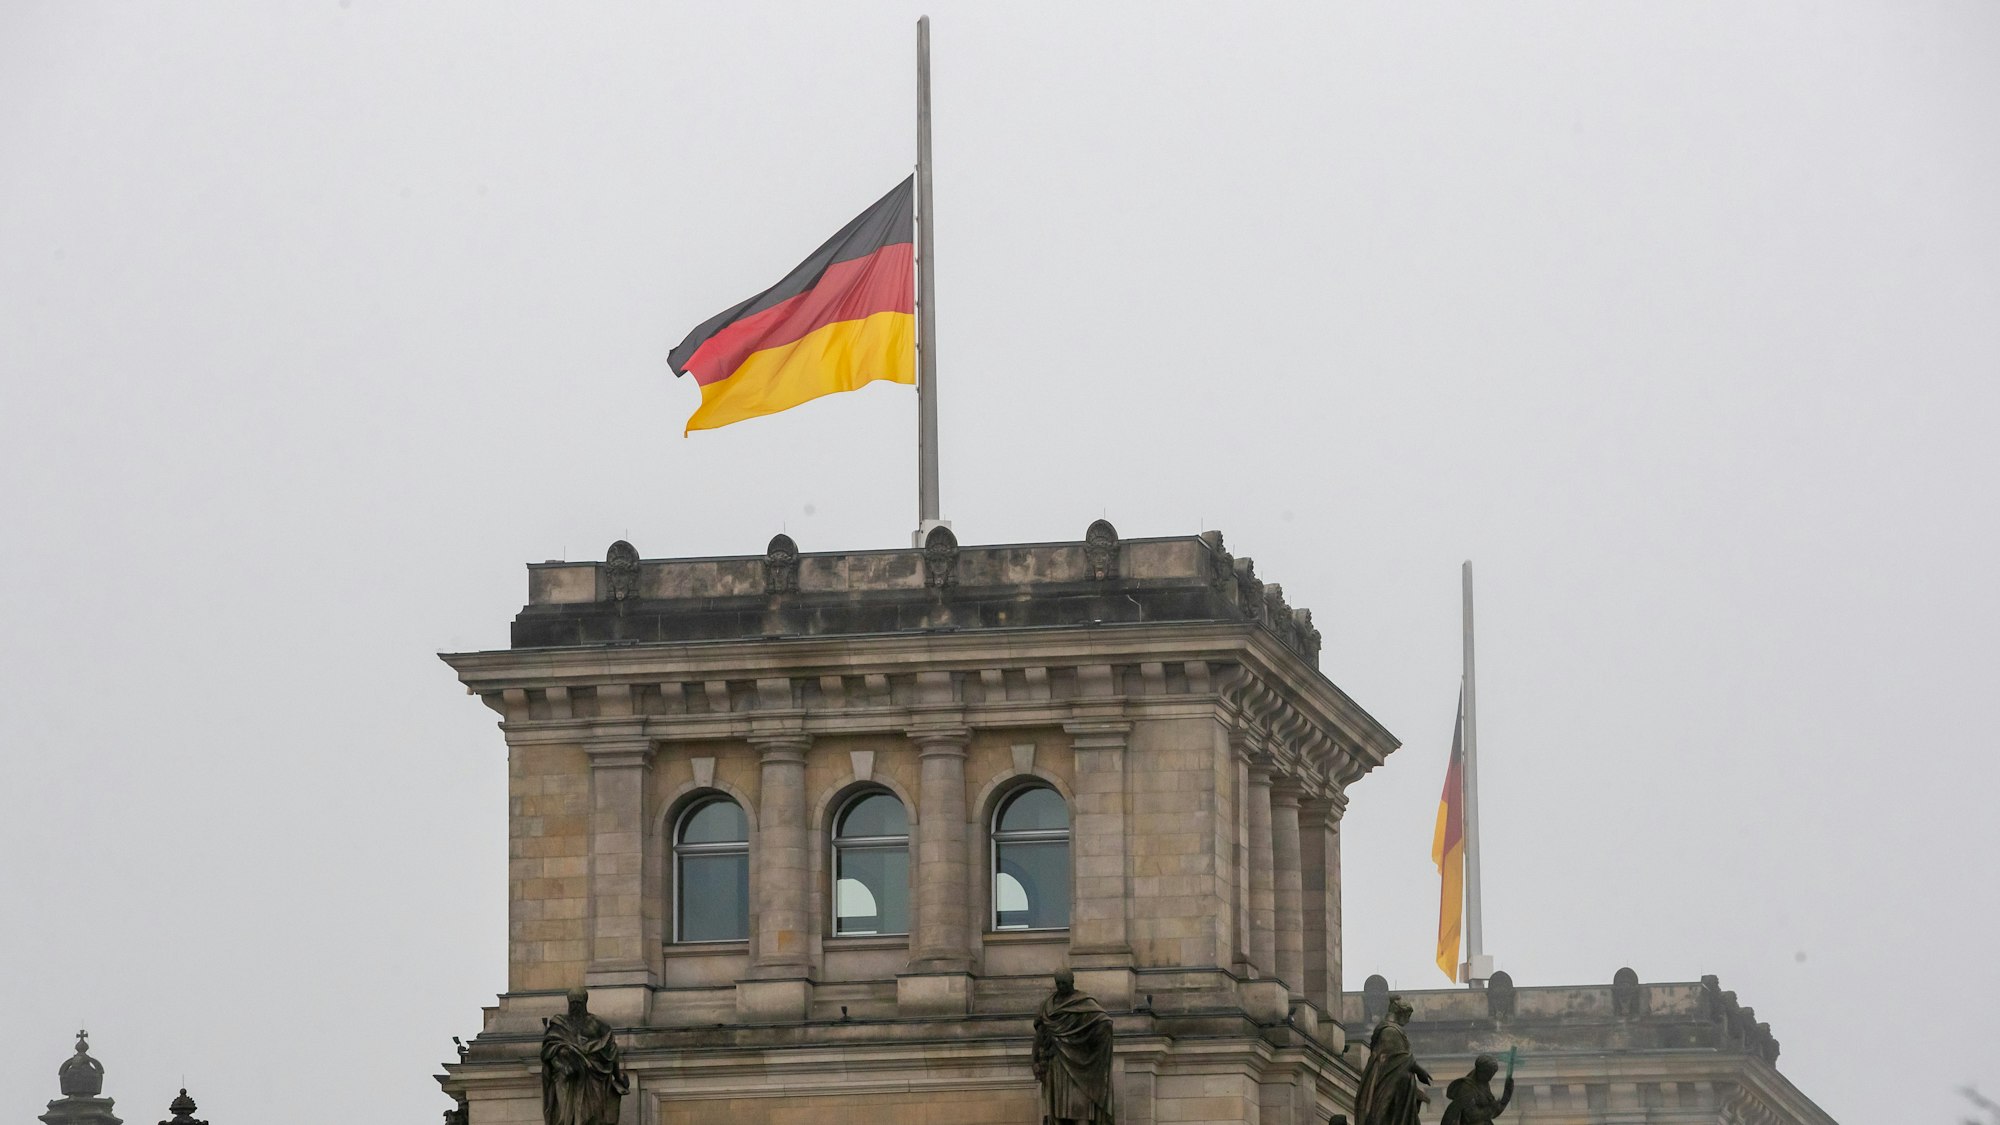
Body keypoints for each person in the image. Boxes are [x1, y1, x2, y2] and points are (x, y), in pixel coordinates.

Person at [1033, 970, 1116, 1125]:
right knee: (1058, 1114)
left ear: (1072, 982)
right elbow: (1039, 1035)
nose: (1061, 986)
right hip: (1057, 1064)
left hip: (1082, 1066)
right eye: (1058, 983)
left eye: (1064, 983)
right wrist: (1034, 1061)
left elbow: (1105, 1022)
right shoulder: (1047, 1006)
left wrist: (1097, 1035)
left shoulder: (1083, 1002)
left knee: (1081, 1110)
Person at [540, 988, 630, 1125]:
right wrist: (563, 1062)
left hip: (593, 1076)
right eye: (573, 1003)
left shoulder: (598, 1024)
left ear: (585, 1003)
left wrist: (618, 1077)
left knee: (593, 1116)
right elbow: (549, 1050)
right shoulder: (559, 1023)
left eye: (578, 1003)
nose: (575, 1007)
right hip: (567, 1077)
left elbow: (611, 1051)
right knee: (564, 1117)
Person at [1353, 995, 1431, 1125]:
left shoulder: (1392, 1030)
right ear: (1400, 1013)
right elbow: (1398, 1059)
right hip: (1389, 1086)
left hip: (1396, 1086)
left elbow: (1400, 1059)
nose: (1408, 1021)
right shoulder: (1390, 1031)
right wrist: (1418, 1070)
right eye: (1408, 1016)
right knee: (1383, 1116)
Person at [1440, 1055, 1515, 1125]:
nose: (1490, 1077)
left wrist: (1507, 1094)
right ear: (1480, 1072)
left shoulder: (1483, 1085)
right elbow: (1471, 1116)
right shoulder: (1467, 1088)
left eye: (1492, 1074)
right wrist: (1491, 1108)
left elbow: (1494, 1113)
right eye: (1489, 1074)